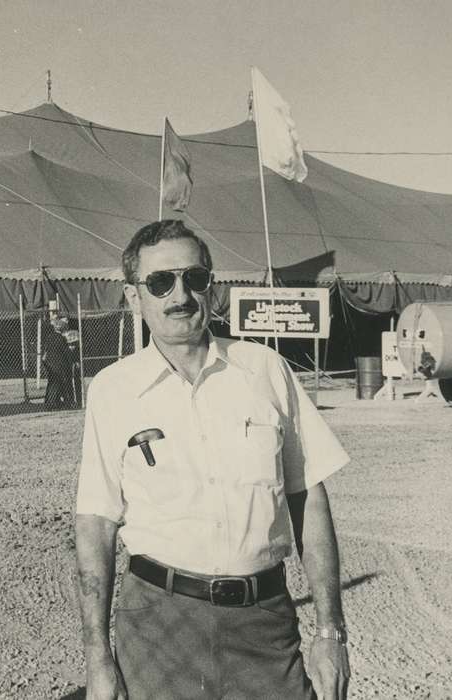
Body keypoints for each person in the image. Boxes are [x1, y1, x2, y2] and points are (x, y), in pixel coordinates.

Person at [74, 219, 352, 700]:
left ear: (212, 286)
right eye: (160, 283)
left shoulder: (265, 370)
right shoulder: (113, 390)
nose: (180, 295)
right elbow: (96, 525)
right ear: (133, 297)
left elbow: (308, 497)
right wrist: (97, 657)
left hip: (263, 623)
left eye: (194, 278)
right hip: (159, 627)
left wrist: (330, 632)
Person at [43, 312, 78, 408]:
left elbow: (47, 350)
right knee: (56, 383)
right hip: (58, 364)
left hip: (49, 363)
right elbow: (65, 351)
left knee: (51, 382)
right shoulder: (61, 338)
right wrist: (70, 355)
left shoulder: (49, 337)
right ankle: (51, 404)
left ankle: (49, 402)